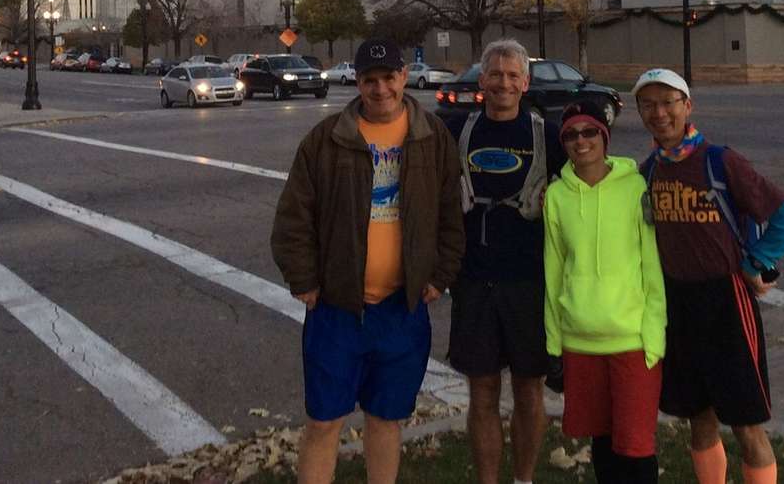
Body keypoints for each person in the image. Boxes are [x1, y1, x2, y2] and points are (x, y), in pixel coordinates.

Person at [271, 37, 465, 484]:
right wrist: (304, 280)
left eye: (389, 78)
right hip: (337, 310)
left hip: (401, 310)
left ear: (404, 76)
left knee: (386, 419)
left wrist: (440, 276)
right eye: (370, 80)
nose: (381, 89)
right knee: (324, 423)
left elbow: (450, 215)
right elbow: (293, 217)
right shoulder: (326, 139)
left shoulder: (432, 137)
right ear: (358, 83)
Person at [633, 68, 784, 484]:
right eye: (648, 105)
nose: (659, 113)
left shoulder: (721, 162)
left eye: (668, 102)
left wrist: (754, 264)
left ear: (687, 106)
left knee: (747, 424)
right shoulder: (649, 171)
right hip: (677, 303)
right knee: (699, 417)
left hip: (726, 303)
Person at [440, 39, 565, 484]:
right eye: (495, 74)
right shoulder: (457, 129)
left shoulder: (549, 135)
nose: (504, 83)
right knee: (483, 391)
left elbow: (587, 187)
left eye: (513, 75)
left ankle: (523, 479)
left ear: (525, 83)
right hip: (474, 281)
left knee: (529, 390)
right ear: (482, 79)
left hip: (530, 282)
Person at [544, 100, 666, 484]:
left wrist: (655, 334)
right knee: (602, 441)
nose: (581, 141)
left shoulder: (635, 187)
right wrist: (553, 344)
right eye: (571, 135)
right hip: (580, 341)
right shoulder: (557, 196)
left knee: (636, 446)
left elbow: (652, 266)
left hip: (632, 340)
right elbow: (553, 271)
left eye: (589, 132)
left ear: (604, 136)